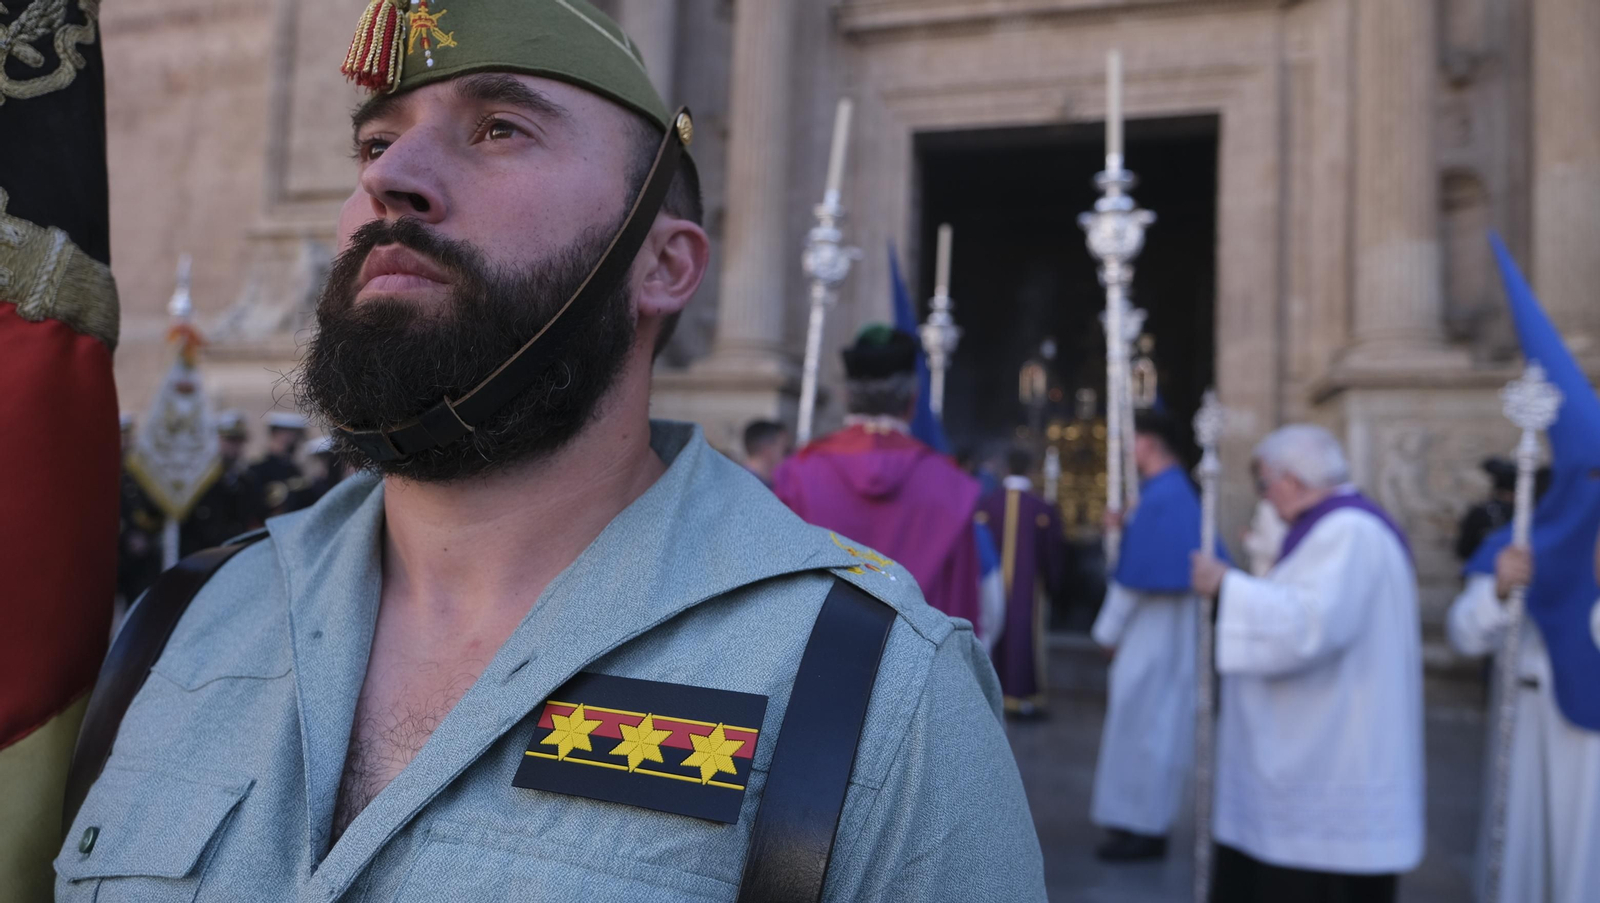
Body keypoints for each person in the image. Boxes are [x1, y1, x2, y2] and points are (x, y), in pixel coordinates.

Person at [54, 4, 1045, 900]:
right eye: (375, 141)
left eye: (499, 128)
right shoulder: (183, 626)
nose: (388, 178)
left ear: (663, 264)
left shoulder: (880, 698)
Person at [1191, 424, 1424, 902]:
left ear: (1291, 480)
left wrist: (1225, 587)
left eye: (1265, 485)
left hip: (1332, 761)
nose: (1265, 498)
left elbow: (1308, 627)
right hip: (1324, 747)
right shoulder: (1334, 529)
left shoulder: (1348, 532)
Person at [1445, 236, 1600, 903]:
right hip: (1526, 719)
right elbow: (1464, 633)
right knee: (1524, 864)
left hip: (1591, 745)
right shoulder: (1520, 539)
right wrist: (1501, 588)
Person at [773, 325, 1002, 645]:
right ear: (913, 400)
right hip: (920, 669)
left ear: (845, 396)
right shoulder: (953, 486)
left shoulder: (796, 474)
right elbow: (976, 614)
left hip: (811, 664)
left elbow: (774, 598)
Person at [1088, 409, 1212, 861]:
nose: (1128, 450)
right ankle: (1133, 819)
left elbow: (1135, 577)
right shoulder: (1170, 493)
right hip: (1161, 630)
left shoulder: (1162, 497)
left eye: (1132, 439)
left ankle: (1144, 826)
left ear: (1149, 443)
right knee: (1143, 724)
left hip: (1152, 632)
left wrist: (1107, 631)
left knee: (1146, 728)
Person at [976, 446, 1065, 718]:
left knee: (992, 631)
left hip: (989, 585)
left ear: (1006, 469)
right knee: (1024, 634)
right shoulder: (1042, 508)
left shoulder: (987, 504)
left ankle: (987, 695)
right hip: (1029, 588)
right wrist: (1054, 583)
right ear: (1031, 470)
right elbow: (1053, 552)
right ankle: (1023, 697)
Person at [179, 410, 255, 556]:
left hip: (234, 553)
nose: (235, 447)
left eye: (239, 441)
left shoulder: (245, 480)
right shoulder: (199, 479)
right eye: (230, 441)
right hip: (201, 553)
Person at [246, 411, 308, 522]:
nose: (292, 439)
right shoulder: (258, 468)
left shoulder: (294, 469)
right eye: (287, 433)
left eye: (294, 434)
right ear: (275, 433)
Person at [740, 419, 791, 487]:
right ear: (766, 449)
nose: (789, 452)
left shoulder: (740, 479)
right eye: (783, 446)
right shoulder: (749, 486)